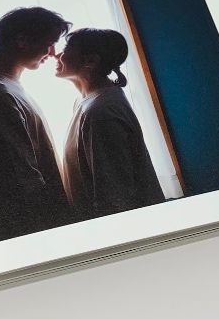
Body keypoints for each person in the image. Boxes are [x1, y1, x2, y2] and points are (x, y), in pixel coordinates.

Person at [0, 7, 72, 245]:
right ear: (22, 40)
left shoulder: (8, 88)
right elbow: (22, 177)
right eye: (49, 43)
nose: (53, 53)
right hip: (32, 230)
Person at [55, 28, 165, 220]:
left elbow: (115, 195)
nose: (57, 55)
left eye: (66, 49)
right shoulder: (88, 102)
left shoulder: (101, 112)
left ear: (91, 61)